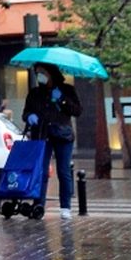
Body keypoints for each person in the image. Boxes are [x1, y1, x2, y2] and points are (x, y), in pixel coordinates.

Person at [23, 62, 80, 219]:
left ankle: (65, 207)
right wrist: (30, 117)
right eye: (37, 72)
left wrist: (61, 99)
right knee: (40, 171)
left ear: (51, 73)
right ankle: (38, 205)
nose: (39, 76)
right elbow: (26, 112)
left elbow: (77, 110)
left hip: (63, 136)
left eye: (42, 72)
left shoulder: (67, 90)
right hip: (42, 135)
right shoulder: (35, 93)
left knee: (63, 171)